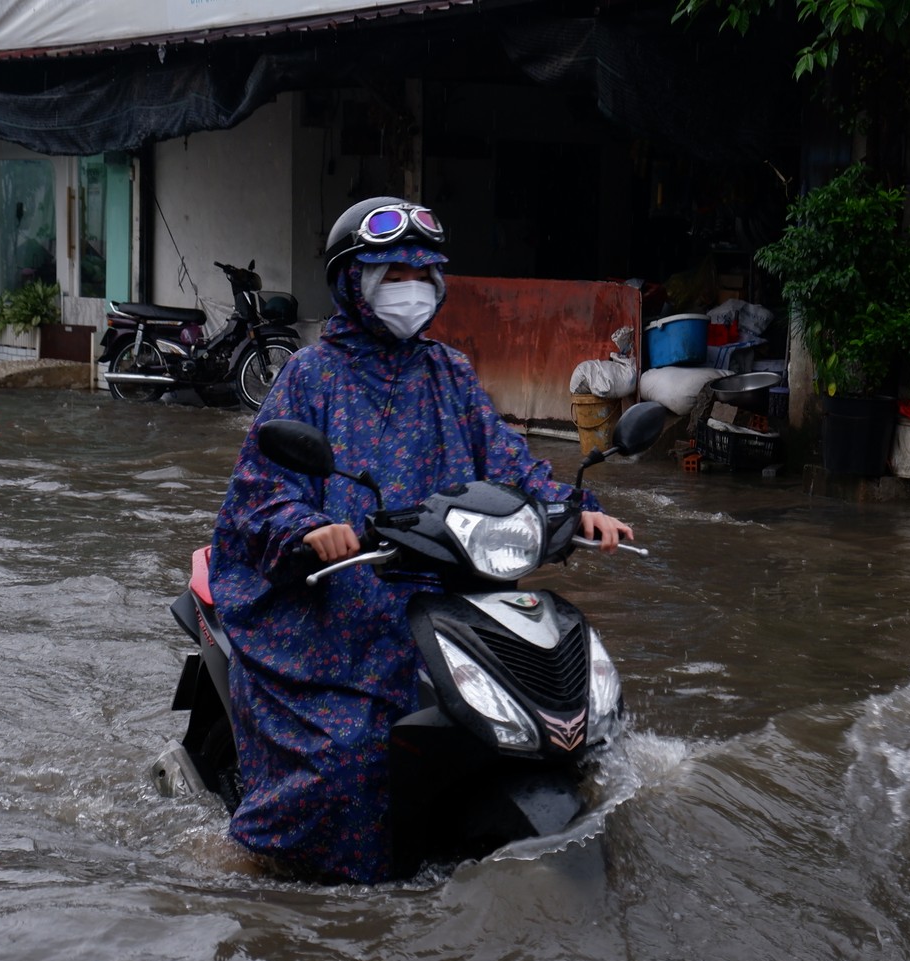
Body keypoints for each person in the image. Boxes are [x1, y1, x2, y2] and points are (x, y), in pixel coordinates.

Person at [208, 197, 634, 883]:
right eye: (391, 273)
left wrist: (574, 508)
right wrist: (310, 527)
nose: (411, 288)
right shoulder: (309, 375)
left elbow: (506, 460)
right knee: (346, 752)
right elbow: (262, 488)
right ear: (353, 282)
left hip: (443, 585)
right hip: (334, 596)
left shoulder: (449, 372)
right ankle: (261, 859)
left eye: (421, 274)